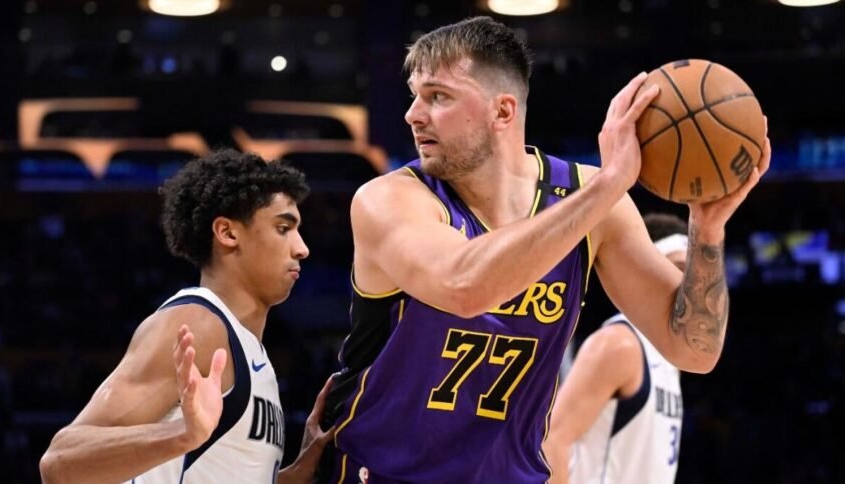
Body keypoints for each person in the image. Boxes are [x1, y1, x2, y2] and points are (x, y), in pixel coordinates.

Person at [320, 16, 770, 483]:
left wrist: (707, 230)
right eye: (415, 95)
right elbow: (465, 287)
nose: (413, 114)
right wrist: (610, 184)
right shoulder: (389, 200)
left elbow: (694, 349)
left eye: (438, 96)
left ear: (502, 112)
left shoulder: (590, 200)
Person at [39, 149, 334, 484]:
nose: (302, 248)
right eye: (283, 228)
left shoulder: (252, 351)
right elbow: (60, 462)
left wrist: (295, 475)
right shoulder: (197, 324)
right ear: (227, 232)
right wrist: (183, 434)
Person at [544, 213, 689, 484]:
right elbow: (552, 441)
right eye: (677, 268)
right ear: (648, 274)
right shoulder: (619, 344)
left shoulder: (670, 356)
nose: (687, 285)